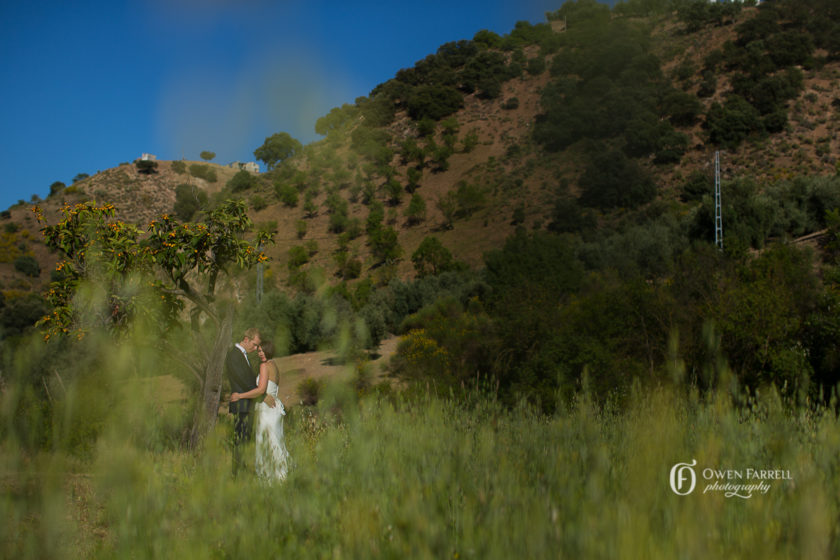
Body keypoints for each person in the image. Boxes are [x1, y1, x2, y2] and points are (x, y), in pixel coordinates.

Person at [231, 340, 290, 482]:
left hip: (266, 410)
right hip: (275, 408)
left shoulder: (264, 366)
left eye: (262, 351)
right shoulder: (274, 365)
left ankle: (269, 479)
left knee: (266, 443)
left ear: (268, 351)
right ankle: (281, 476)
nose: (260, 353)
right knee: (276, 442)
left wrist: (240, 395)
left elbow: (261, 390)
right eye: (259, 351)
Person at [225, 327, 261, 476]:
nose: (256, 348)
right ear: (246, 339)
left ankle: (242, 471)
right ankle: (238, 473)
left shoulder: (242, 355)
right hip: (241, 405)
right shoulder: (234, 355)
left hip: (246, 403)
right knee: (241, 440)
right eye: (254, 344)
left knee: (245, 440)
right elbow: (243, 379)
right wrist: (260, 391)